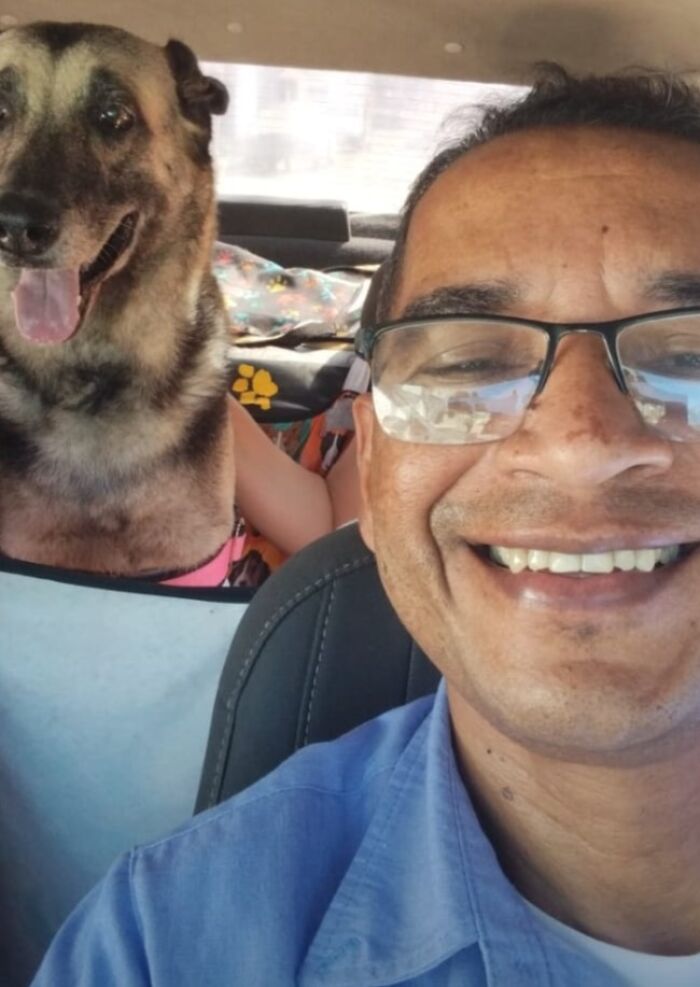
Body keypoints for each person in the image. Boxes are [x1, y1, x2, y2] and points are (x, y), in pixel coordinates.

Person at [30, 65, 700, 986]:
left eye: (692, 353)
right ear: (378, 458)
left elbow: (311, 524)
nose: (579, 446)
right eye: (468, 360)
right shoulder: (161, 942)